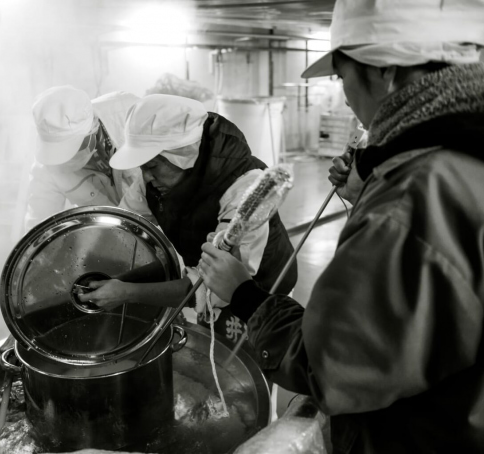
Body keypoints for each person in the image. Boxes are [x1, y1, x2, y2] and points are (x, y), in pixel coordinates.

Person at [198, 0, 484, 452]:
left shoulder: (414, 196)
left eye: (341, 75)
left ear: (384, 70)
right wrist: (369, 187)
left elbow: (334, 368)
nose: (345, 94)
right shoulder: (458, 159)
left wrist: (246, 296)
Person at [79, 94, 297, 343]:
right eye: (142, 167)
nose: (146, 177)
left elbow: (213, 286)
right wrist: (87, 261)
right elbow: (120, 226)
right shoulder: (154, 182)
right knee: (213, 347)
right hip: (211, 283)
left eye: (152, 166)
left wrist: (127, 292)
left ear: (182, 156)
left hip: (261, 290)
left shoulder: (243, 187)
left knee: (247, 360)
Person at [26, 86, 141, 228]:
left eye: (70, 150)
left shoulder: (132, 114)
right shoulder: (45, 167)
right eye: (59, 154)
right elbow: (39, 223)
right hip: (110, 233)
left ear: (92, 128)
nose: (66, 160)